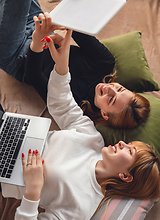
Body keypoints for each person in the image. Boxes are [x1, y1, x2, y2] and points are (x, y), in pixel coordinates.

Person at [2, 29, 159, 220]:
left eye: (130, 150)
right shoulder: (93, 139)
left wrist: (32, 193)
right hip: (9, 126)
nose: (122, 142)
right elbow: (63, 105)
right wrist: (61, 65)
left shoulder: (83, 207)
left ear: (125, 176)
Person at [0, 0, 150, 129]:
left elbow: (34, 76)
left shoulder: (72, 106)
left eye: (111, 99)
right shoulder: (105, 63)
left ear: (105, 114)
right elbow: (76, 28)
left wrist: (38, 40)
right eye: (120, 88)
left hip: (17, 56)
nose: (109, 88)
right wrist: (60, 18)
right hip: (39, 27)